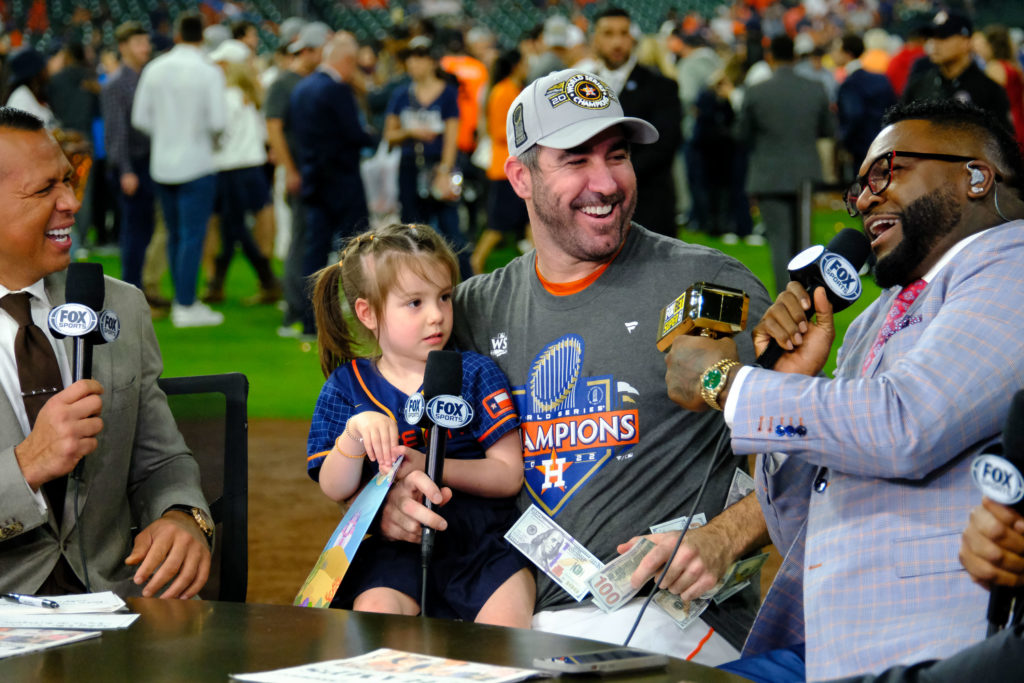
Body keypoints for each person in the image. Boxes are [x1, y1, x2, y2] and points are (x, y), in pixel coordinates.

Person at [377, 68, 773, 663]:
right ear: (520, 177)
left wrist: (725, 535)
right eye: (576, 160)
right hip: (511, 613)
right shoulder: (472, 311)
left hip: (669, 616)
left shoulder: (706, 285)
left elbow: (820, 451)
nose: (606, 182)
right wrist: (392, 495)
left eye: (617, 156)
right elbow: (393, 431)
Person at [664, 99, 1024, 680]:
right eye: (858, 188)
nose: (864, 199)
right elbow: (800, 515)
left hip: (936, 647)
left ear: (976, 176)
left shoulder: (1013, 265)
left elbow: (904, 422)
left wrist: (725, 383)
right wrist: (790, 380)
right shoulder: (869, 320)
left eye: (887, 171)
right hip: (835, 645)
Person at [0, 108, 213, 598]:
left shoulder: (119, 304)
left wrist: (184, 516)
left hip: (117, 607)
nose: (71, 202)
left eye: (68, 181)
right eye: (43, 190)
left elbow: (162, 460)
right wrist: (28, 462)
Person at [304, 223, 533, 628]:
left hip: (483, 544)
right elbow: (335, 487)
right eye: (414, 303)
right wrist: (354, 435)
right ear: (368, 313)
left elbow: (508, 473)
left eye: (444, 297)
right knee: (374, 623)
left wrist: (427, 464)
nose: (436, 316)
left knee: (505, 636)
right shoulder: (346, 386)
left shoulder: (476, 372)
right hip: (397, 547)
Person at [132, 11, 227, 328]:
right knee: (192, 236)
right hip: (197, 163)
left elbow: (140, 119)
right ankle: (186, 305)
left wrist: (166, 133)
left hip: (162, 164)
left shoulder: (155, 68)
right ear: (202, 35)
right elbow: (217, 122)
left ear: (176, 34)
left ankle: (183, 301)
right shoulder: (208, 70)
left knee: (175, 235)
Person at [289, 31, 373, 338]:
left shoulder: (302, 88)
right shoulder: (336, 90)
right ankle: (366, 315)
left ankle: (311, 323)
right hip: (343, 181)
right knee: (358, 249)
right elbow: (354, 134)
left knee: (314, 252)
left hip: (314, 181)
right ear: (348, 60)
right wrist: (375, 136)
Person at [739, 34, 833, 294]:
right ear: (794, 56)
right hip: (804, 173)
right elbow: (828, 129)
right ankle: (809, 296)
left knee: (780, 242)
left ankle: (787, 301)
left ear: (770, 57)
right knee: (804, 241)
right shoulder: (815, 88)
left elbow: (742, 133)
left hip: (769, 174)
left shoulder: (757, 90)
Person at [588, 7, 682, 238]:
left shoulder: (661, 87)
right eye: (608, 34)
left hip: (649, 206)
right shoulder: (581, 86)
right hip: (592, 207)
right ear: (594, 39)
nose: (617, 42)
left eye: (623, 33)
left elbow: (664, 145)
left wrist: (611, 176)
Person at [384, 36, 470, 279]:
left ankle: (465, 283)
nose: (414, 64)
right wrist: (409, 132)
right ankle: (417, 280)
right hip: (410, 165)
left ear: (433, 62)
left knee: (451, 229)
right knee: (412, 230)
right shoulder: (401, 94)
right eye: (411, 59)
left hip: (439, 165)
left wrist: (445, 171)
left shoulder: (447, 93)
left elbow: (452, 136)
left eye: (420, 58)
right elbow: (389, 135)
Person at [205, 40, 281, 305]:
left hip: (230, 169)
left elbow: (217, 134)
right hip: (252, 167)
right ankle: (219, 285)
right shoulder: (251, 94)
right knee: (232, 229)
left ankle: (268, 280)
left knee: (234, 229)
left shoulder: (227, 97)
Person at [101, 22, 157, 302]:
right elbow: (116, 131)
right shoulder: (116, 83)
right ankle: (131, 290)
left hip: (150, 162)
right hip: (132, 165)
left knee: (146, 230)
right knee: (134, 231)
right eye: (138, 43)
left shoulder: (149, 77)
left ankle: (142, 287)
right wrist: (125, 170)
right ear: (123, 47)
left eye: (146, 42)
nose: (145, 48)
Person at [902, 11, 1010, 125]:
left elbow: (1000, 139)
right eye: (931, 37)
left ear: (966, 42)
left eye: (942, 36)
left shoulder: (989, 90)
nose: (934, 43)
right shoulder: (918, 86)